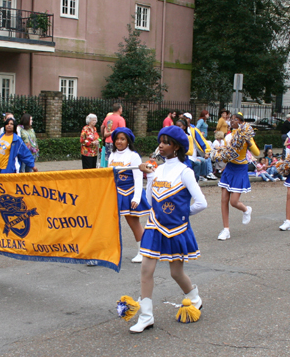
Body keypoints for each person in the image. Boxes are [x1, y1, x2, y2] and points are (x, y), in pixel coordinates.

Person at [126, 126, 208, 333]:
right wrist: (150, 178)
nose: (160, 145)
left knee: (175, 272)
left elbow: (201, 203)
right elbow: (151, 200)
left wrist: (182, 214)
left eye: (166, 142)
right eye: (160, 141)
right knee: (146, 269)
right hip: (154, 224)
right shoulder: (158, 169)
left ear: (176, 147)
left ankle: (194, 297)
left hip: (176, 227)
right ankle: (146, 317)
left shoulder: (186, 172)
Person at [107, 127, 149, 262]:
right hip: (115, 192)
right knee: (109, 223)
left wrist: (136, 197)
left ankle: (143, 252)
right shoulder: (112, 155)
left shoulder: (133, 156)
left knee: (133, 222)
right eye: (117, 139)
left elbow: (138, 178)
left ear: (128, 141)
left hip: (129, 192)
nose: (119, 142)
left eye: (122, 139)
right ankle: (107, 252)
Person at [217, 112, 260, 241]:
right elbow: (226, 152)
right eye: (232, 119)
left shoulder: (246, 136)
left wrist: (248, 142)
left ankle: (246, 209)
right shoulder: (229, 136)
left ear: (241, 123)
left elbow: (257, 152)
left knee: (234, 201)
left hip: (240, 168)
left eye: (236, 120)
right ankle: (226, 229)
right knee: (224, 200)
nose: (233, 121)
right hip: (230, 167)